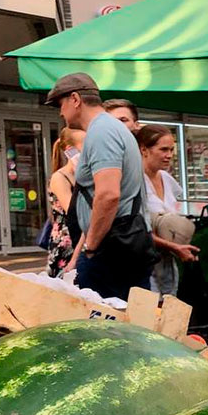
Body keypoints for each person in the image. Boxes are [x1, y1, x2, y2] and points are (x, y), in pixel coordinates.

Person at [48, 72, 154, 301]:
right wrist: (78, 256)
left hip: (111, 250)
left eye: (61, 103)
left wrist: (92, 247)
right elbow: (95, 200)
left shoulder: (102, 131)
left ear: (75, 99)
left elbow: (107, 196)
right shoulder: (107, 129)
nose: (60, 112)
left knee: (104, 329)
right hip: (117, 244)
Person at [137, 124, 200, 295]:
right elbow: (137, 229)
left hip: (166, 265)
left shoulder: (166, 178)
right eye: (163, 149)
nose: (169, 155)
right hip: (143, 264)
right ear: (144, 150)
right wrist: (173, 246)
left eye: (172, 150)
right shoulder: (135, 180)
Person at [46, 126, 85, 277]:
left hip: (82, 240)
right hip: (68, 243)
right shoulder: (60, 177)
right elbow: (75, 212)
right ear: (71, 150)